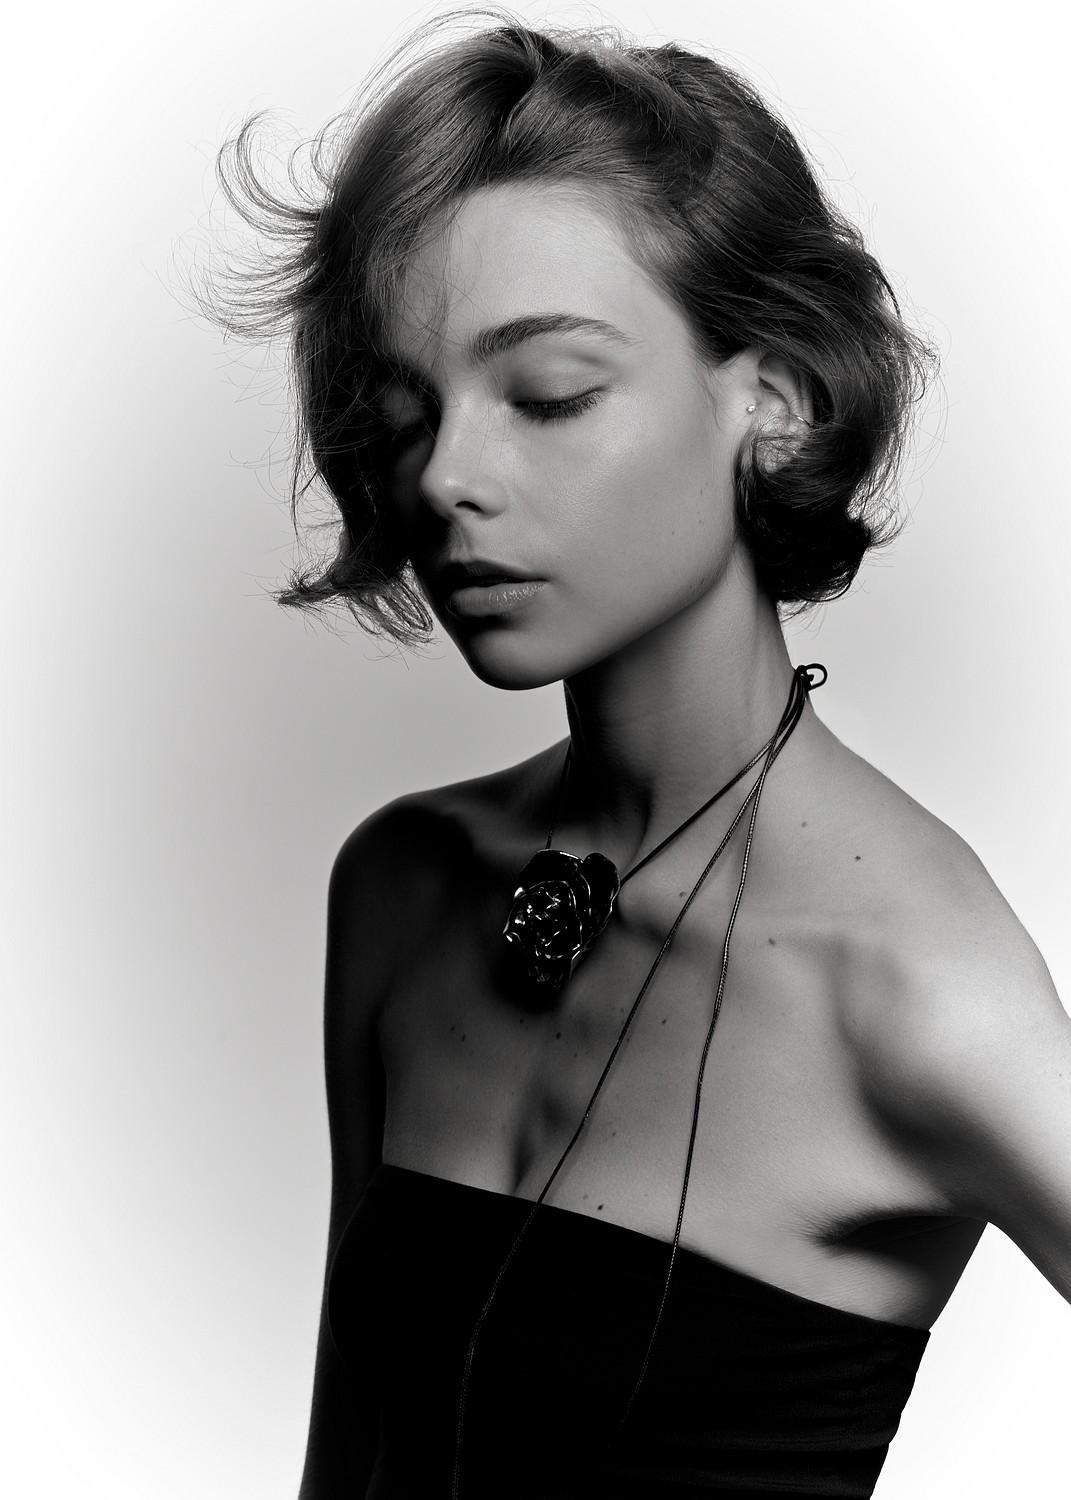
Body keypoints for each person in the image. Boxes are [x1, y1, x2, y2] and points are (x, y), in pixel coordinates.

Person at [201, 10, 1071, 1497]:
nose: (447, 476)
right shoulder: (405, 883)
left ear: (772, 403)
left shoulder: (904, 982)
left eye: (550, 395)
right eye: (403, 413)